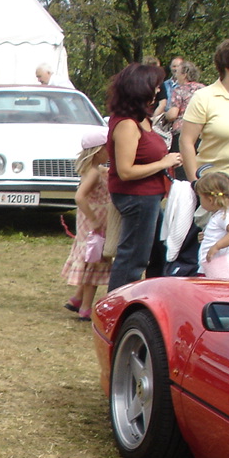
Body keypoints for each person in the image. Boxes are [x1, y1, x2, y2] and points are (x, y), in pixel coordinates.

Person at [106, 63, 182, 291]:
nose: (158, 91)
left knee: (159, 252)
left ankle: (149, 301)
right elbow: (125, 171)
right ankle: (115, 310)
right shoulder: (127, 124)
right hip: (136, 197)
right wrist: (163, 163)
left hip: (149, 197)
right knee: (133, 258)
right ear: (140, 89)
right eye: (155, 87)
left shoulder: (142, 119)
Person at [179, 39, 229, 195]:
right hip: (220, 185)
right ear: (228, 67)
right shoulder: (204, 97)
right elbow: (186, 141)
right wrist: (196, 183)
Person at [62, 127, 112, 322]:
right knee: (94, 261)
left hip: (92, 222)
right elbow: (80, 197)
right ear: (98, 150)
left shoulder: (93, 170)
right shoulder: (93, 173)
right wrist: (93, 218)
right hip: (95, 222)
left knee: (90, 258)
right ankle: (85, 308)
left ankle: (77, 298)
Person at [195, 170, 229, 279]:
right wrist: (206, 237)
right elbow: (220, 233)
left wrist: (217, 246)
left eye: (200, 197)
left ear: (210, 199)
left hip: (219, 269)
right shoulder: (219, 214)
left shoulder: (224, 215)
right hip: (211, 268)